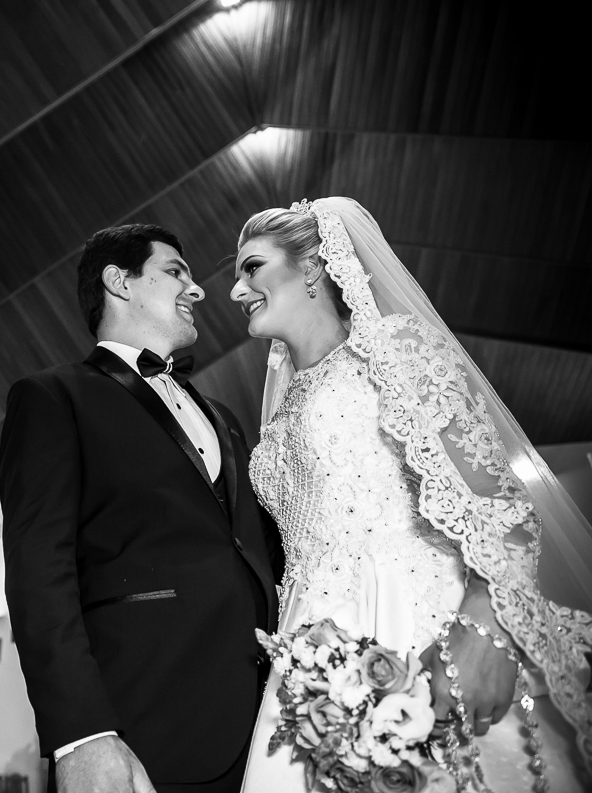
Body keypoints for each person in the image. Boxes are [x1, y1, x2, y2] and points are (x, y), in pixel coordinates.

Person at [229, 198, 592, 791]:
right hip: (311, 661)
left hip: (415, 623)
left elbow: (499, 504)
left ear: (313, 266)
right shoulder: (281, 410)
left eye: (252, 267)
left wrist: (486, 628)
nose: (237, 290)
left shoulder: (393, 350)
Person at [0, 224, 284, 793]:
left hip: (269, 729)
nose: (197, 289)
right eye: (175, 271)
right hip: (147, 730)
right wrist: (81, 735)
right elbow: (38, 576)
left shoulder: (224, 417)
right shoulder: (53, 398)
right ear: (119, 282)